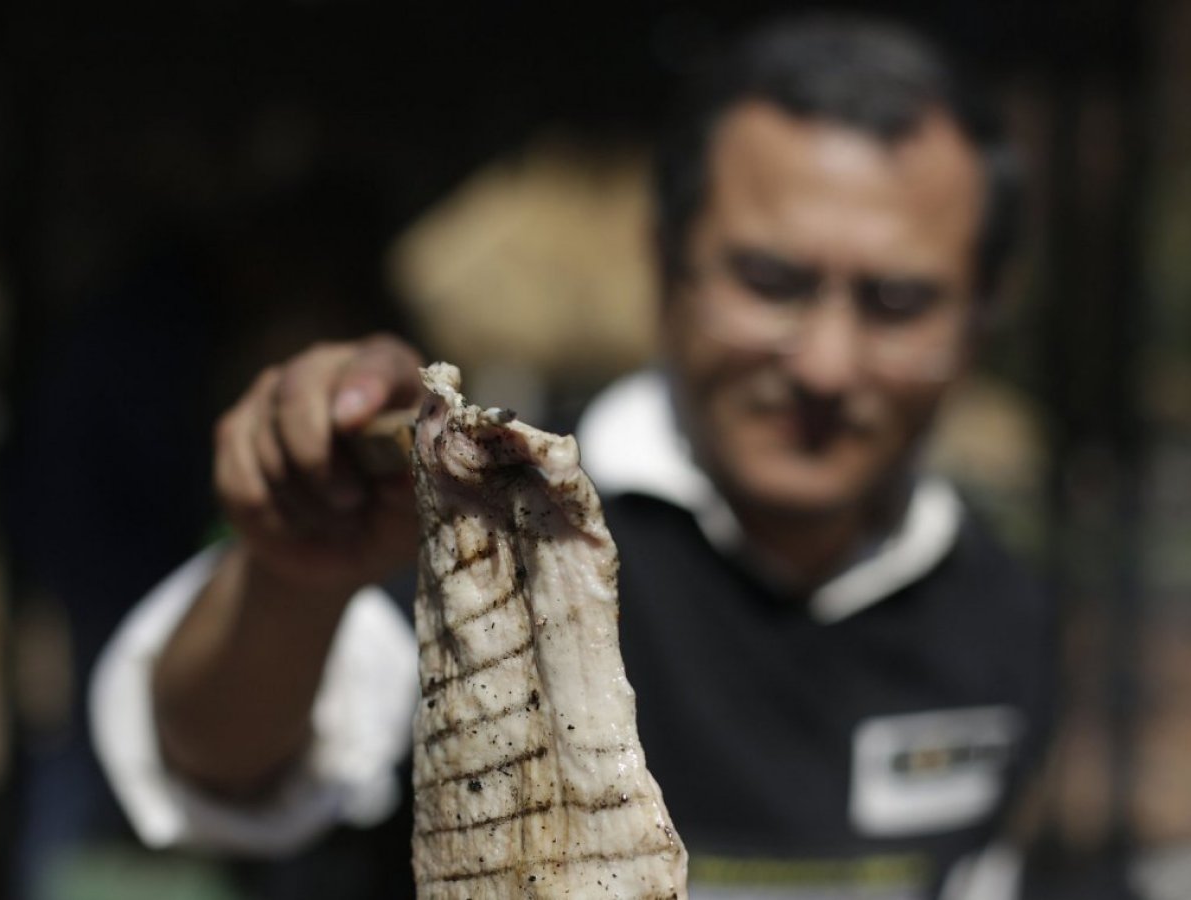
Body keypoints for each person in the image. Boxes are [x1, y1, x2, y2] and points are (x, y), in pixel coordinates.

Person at [91, 15, 1056, 900]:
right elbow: (216, 765)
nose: (825, 364)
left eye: (897, 302)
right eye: (770, 282)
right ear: (668, 264)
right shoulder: (489, 508)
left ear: (980, 318)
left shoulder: (999, 603)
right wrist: (291, 581)